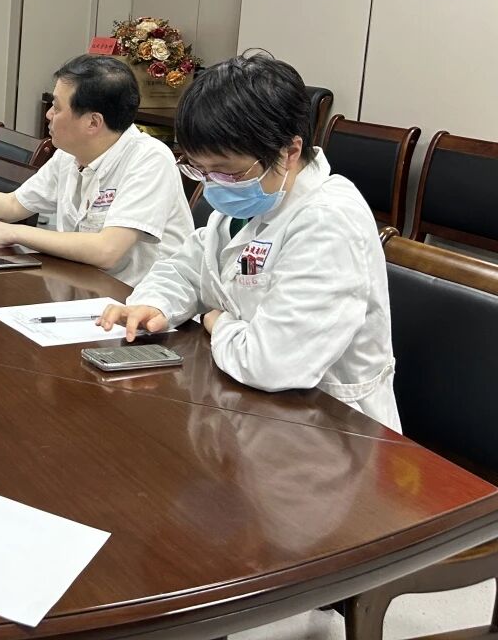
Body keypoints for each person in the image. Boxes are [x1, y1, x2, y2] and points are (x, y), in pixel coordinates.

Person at [98, 53, 399, 431]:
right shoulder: (256, 194)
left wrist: (217, 321)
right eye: (200, 169)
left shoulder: (328, 221)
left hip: (327, 425)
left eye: (225, 171)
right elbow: (188, 267)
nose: (212, 184)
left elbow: (272, 363)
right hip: (247, 408)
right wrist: (155, 303)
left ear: (289, 152)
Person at [0, 54, 192, 285]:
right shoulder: (69, 154)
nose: (48, 114)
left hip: (139, 303)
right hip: (82, 284)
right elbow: (14, 204)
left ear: (93, 123)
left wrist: (15, 233)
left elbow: (107, 250)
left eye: (57, 108)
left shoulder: (149, 159)